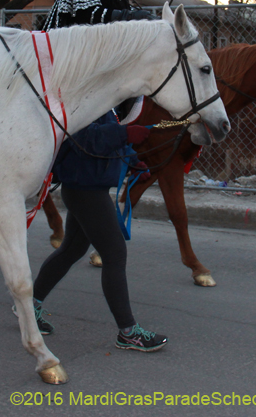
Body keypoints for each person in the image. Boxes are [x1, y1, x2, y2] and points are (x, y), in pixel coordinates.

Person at [23, 109, 168, 351]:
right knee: (114, 253)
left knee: (72, 249)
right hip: (85, 189)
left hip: (87, 186)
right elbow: (86, 139)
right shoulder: (84, 100)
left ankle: (28, 307)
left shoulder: (104, 102)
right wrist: (125, 133)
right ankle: (128, 333)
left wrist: (134, 162)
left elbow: (110, 139)